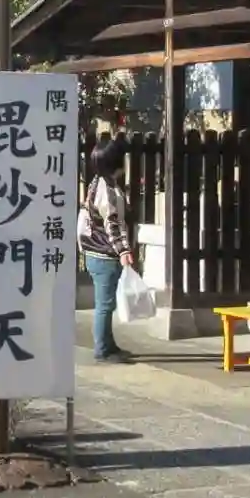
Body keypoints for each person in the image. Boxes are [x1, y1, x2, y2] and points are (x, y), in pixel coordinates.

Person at [80, 136, 138, 363]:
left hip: (96, 252)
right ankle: (102, 349)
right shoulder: (108, 190)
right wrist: (123, 251)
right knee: (104, 305)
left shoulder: (97, 182)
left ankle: (109, 345)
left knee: (106, 303)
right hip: (104, 254)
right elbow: (113, 223)